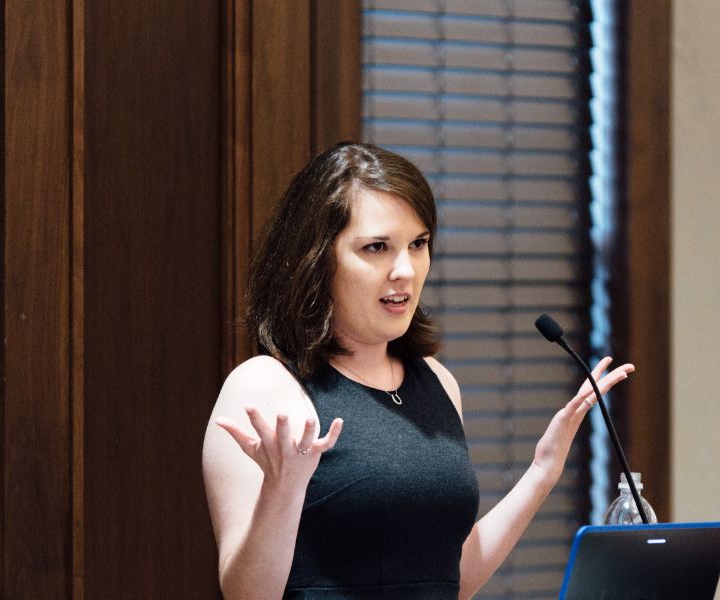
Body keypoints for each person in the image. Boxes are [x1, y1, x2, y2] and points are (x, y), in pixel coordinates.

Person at [202, 142, 634, 600]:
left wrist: (543, 472)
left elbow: (454, 578)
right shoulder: (266, 385)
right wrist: (282, 491)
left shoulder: (437, 381)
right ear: (317, 259)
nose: (405, 269)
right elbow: (246, 595)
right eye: (376, 247)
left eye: (418, 244)